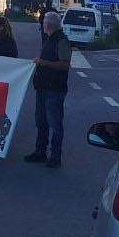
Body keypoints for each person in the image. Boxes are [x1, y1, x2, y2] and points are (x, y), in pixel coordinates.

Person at [24, 10, 72, 168]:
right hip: (43, 87)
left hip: (54, 89)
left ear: (49, 25)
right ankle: (40, 151)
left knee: (55, 123)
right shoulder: (49, 39)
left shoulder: (61, 41)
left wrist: (44, 63)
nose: (42, 25)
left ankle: (55, 156)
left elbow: (64, 64)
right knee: (41, 121)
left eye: (44, 22)